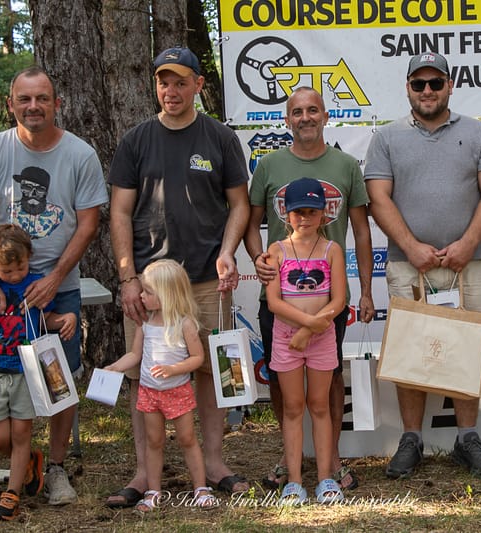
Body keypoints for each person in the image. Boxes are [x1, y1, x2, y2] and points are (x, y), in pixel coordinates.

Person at [107, 46, 251, 506]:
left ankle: (213, 464)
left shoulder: (221, 139)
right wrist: (128, 279)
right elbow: (120, 212)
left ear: (198, 86)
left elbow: (240, 205)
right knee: (142, 374)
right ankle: (143, 473)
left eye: (180, 82)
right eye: (163, 82)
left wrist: (229, 252)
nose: (171, 91)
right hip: (149, 287)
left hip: (206, 278)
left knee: (207, 371)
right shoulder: (135, 140)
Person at [0, 65, 108, 511]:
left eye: (42, 98)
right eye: (24, 99)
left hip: (55, 284)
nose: (33, 106)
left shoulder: (79, 155)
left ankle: (57, 467)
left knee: (58, 377)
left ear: (56, 103)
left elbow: (88, 224)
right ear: (11, 104)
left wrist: (53, 279)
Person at [364, 51, 481, 479]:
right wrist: (410, 246)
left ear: (449, 86)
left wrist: (467, 242)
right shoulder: (386, 138)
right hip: (409, 264)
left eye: (435, 83)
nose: (428, 91)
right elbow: (378, 198)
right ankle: (411, 439)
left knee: (466, 348)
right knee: (410, 350)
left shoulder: (480, 133)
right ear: (408, 88)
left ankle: (467, 438)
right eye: (419, 83)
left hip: (468, 263)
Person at [243, 86, 374, 491]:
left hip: (329, 305)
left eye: (312, 110)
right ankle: (290, 461)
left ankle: (330, 461)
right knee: (284, 381)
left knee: (329, 378)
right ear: (287, 119)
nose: (305, 117)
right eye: (297, 111)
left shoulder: (347, 165)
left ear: (325, 115)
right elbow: (250, 223)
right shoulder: (268, 165)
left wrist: (366, 290)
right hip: (280, 302)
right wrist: (258, 261)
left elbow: (361, 230)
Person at [0, 224, 76, 520]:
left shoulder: (37, 284)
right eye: (7, 271)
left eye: (20, 268)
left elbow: (45, 318)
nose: (15, 276)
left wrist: (65, 318)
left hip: (25, 371)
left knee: (21, 431)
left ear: (29, 258)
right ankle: (29, 463)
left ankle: (11, 494)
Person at [104, 260, 218, 510]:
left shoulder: (184, 323)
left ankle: (200, 487)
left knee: (187, 439)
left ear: (167, 294)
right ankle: (154, 490)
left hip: (177, 392)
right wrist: (115, 367)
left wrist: (173, 370)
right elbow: (135, 355)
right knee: (154, 441)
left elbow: (197, 358)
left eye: (148, 292)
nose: (141, 296)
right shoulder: (145, 323)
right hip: (149, 393)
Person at [264, 177, 346, 504]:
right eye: (299, 212)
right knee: (294, 408)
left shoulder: (332, 250)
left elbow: (338, 300)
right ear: (287, 214)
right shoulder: (276, 251)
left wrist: (309, 329)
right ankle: (294, 481)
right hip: (285, 338)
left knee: (320, 406)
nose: (305, 218)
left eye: (312, 211)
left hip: (319, 337)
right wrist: (304, 324)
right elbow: (273, 302)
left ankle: (326, 479)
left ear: (324, 214)